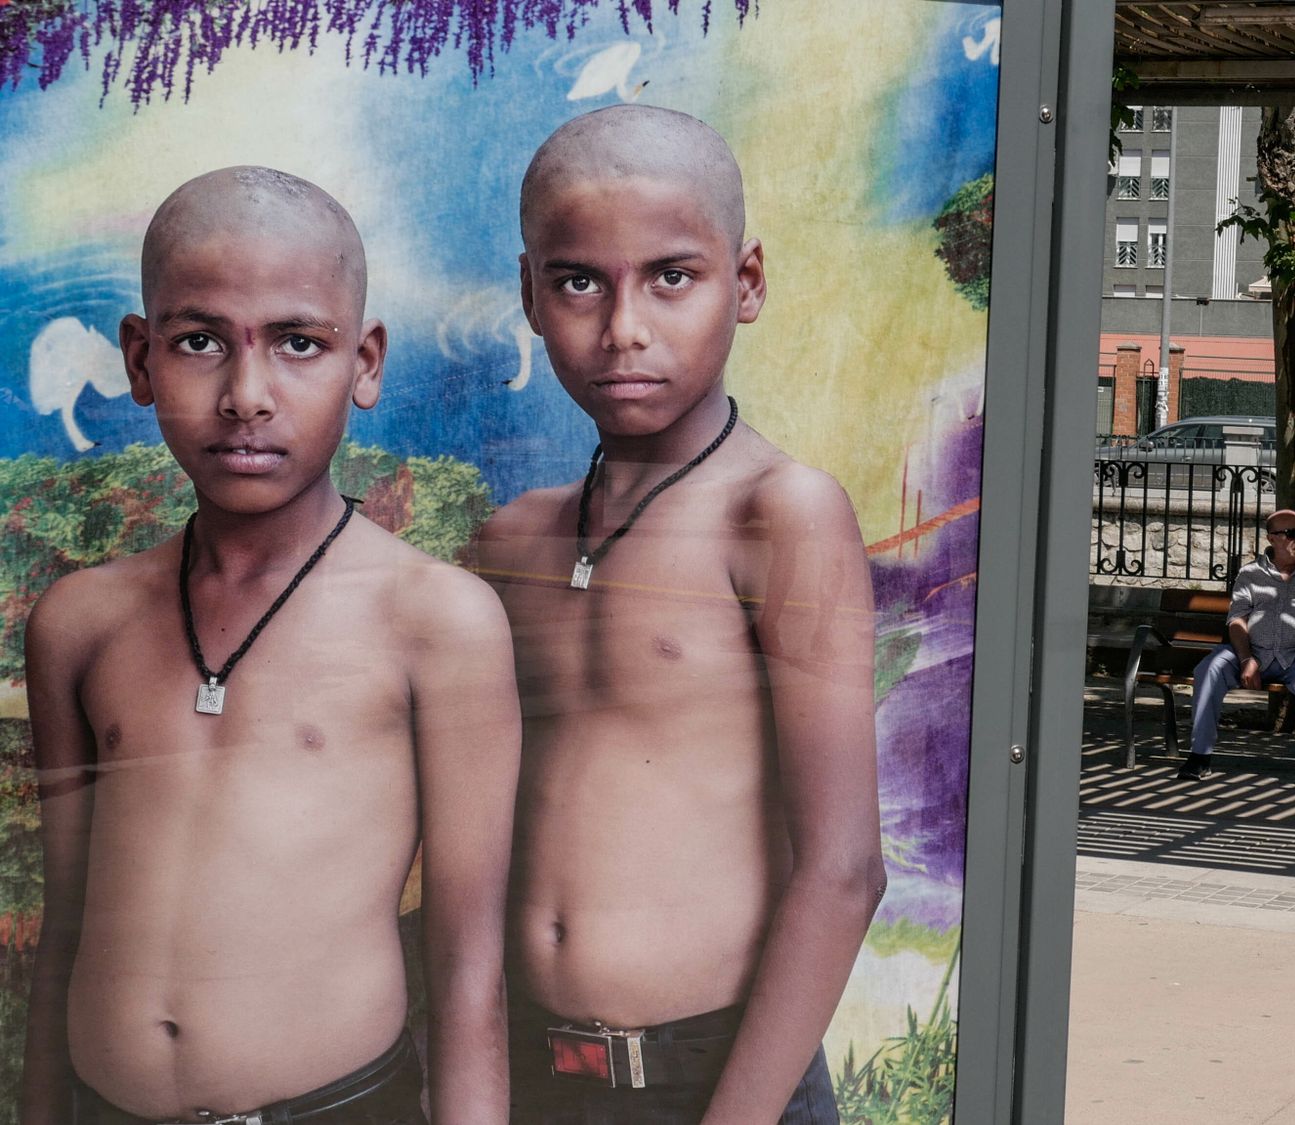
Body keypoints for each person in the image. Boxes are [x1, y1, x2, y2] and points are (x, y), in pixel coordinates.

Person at [21, 167, 522, 1124]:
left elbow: (467, 973)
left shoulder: (435, 622)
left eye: (299, 344)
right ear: (139, 358)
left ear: (365, 363)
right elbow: (66, 935)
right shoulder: (80, 623)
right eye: (201, 341)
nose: (246, 394)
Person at [476, 105, 885, 1124]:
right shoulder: (510, 545)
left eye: (672, 276)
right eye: (579, 281)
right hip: (535, 1080)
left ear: (743, 284)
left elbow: (843, 871)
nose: (624, 328)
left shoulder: (778, 513)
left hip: (719, 1085)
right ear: (531, 292)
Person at [1177, 509, 1295, 790]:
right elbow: (1237, 619)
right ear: (1271, 538)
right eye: (1290, 533)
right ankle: (1199, 756)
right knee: (1209, 668)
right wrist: (1246, 658)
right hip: (1251, 651)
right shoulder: (1250, 573)